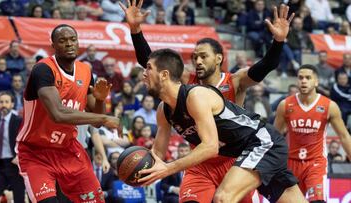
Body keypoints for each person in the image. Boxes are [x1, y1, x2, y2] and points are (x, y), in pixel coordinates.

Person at [120, 1, 294, 202]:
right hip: (200, 161)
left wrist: (278, 42)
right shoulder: (187, 83)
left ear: (219, 58)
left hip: (235, 156)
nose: (198, 61)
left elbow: (264, 67)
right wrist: (135, 31)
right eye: (195, 58)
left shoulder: (234, 81)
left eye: (203, 56)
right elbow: (155, 66)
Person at [129, 47, 306, 203]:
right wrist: (138, 170)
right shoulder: (163, 110)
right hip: (245, 151)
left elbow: (210, 147)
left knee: (223, 198)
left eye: (149, 68)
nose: (143, 73)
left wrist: (168, 168)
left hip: (262, 142)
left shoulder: (195, 96)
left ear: (164, 74)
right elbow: (157, 153)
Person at [16, 24, 120, 203]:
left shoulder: (86, 71)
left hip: (69, 149)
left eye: (73, 39)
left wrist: (101, 100)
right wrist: (104, 117)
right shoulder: (43, 69)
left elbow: (96, 122)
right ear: (53, 46)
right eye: (63, 41)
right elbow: (58, 114)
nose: (69, 44)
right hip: (36, 151)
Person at [274, 64, 351, 202]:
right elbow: (275, 137)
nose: (303, 81)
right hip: (290, 163)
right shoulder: (285, 105)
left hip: (316, 163)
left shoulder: (329, 106)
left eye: (308, 78)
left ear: (316, 81)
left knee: (317, 200)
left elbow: (344, 136)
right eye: (300, 78)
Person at [0, 92, 25, 202]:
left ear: (12, 104)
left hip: (15, 165)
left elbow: (25, 140)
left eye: (7, 102)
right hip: (2, 165)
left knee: (19, 198)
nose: (4, 104)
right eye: (1, 102)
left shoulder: (18, 120)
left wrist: (19, 155)